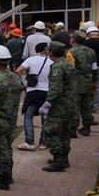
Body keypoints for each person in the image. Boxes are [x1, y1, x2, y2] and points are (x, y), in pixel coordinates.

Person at [0, 46, 24, 191]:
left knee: (1, 150)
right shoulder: (15, 77)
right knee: (7, 148)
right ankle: (9, 175)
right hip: (11, 119)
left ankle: (3, 179)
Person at [41, 42, 77, 172]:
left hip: (59, 106)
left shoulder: (57, 67)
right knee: (66, 133)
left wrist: (47, 103)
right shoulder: (68, 65)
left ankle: (58, 160)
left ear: (51, 52)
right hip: (71, 104)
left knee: (50, 131)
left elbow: (55, 89)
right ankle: (64, 159)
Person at [16, 42, 52, 151]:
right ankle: (43, 143)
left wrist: (24, 83)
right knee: (45, 118)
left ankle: (29, 142)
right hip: (46, 92)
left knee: (28, 116)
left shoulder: (30, 60)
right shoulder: (51, 62)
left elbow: (18, 70)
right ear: (46, 50)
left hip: (32, 92)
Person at [69, 32, 98, 136]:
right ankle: (86, 128)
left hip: (75, 83)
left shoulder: (71, 52)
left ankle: (73, 130)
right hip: (88, 82)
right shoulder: (91, 51)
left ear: (74, 40)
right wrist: (94, 81)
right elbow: (94, 68)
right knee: (86, 107)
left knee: (74, 107)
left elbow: (70, 68)